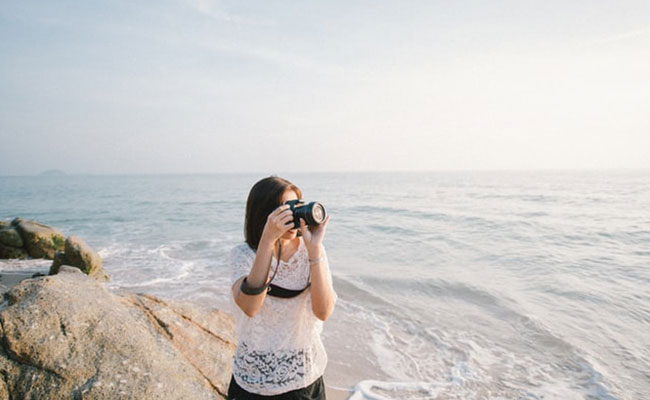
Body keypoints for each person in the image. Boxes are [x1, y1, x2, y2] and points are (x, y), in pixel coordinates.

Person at [227, 176, 337, 400]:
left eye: (297, 207)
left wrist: (315, 250)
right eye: (285, 210)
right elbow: (250, 306)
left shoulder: (310, 251)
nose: (294, 217)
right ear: (264, 215)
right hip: (254, 382)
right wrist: (268, 240)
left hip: (306, 376)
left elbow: (323, 312)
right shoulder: (243, 254)